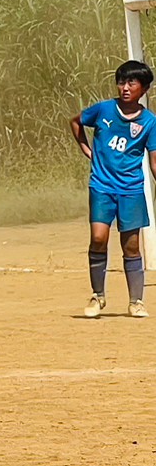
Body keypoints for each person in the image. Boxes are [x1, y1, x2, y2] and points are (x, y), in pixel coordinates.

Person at [70, 60, 156, 319]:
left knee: (130, 246)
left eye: (132, 83)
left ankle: (136, 301)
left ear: (145, 89)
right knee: (98, 238)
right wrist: (87, 149)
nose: (125, 87)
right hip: (101, 185)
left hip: (131, 190)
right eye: (121, 82)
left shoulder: (150, 122)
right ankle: (98, 296)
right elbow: (75, 122)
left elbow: (153, 161)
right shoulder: (104, 110)